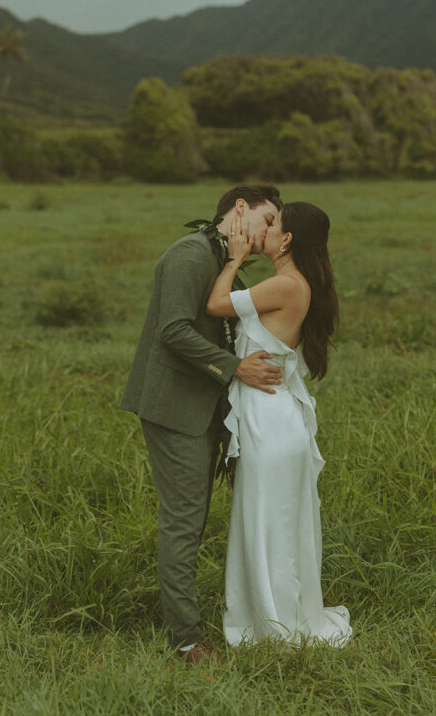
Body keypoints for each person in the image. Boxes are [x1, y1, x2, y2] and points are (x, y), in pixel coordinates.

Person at [120, 184, 282, 664]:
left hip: (205, 406)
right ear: (239, 209)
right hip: (176, 409)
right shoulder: (191, 255)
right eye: (267, 219)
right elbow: (173, 331)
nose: (271, 231)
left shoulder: (222, 257)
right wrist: (235, 368)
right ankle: (186, 641)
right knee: (184, 521)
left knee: (196, 519)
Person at [206, 201, 352, 647]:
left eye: (272, 224)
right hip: (269, 415)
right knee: (269, 521)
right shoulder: (291, 283)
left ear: (286, 240)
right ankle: (269, 616)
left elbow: (216, 305)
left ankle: (274, 626)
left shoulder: (286, 285)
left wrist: (232, 259)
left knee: (269, 523)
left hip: (270, 421)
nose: (264, 230)